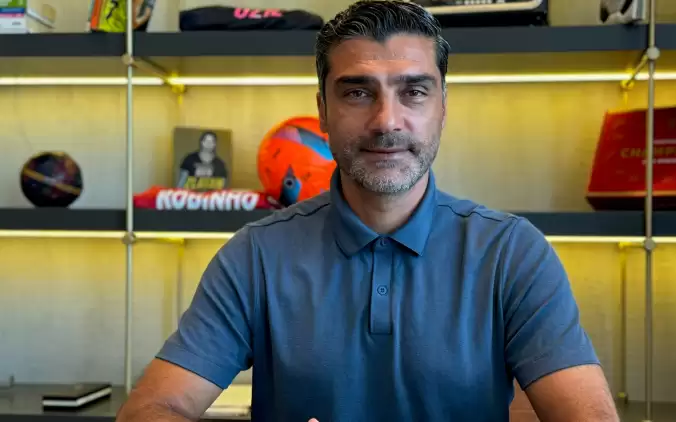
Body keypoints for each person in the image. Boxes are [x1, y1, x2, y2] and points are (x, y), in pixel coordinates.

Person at [115, 1, 620, 421]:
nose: (386, 121)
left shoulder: (513, 253)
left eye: (414, 92)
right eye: (357, 92)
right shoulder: (255, 255)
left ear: (442, 107)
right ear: (322, 110)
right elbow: (152, 409)